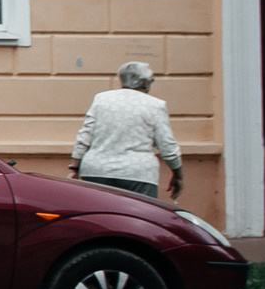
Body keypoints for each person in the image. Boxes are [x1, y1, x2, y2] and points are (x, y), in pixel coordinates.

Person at [69, 61, 182, 200]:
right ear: (146, 83)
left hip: (97, 171)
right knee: (138, 217)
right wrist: (177, 174)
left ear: (120, 80)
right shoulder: (155, 105)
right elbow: (167, 145)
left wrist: (74, 168)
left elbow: (85, 135)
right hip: (138, 173)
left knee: (100, 218)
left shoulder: (101, 99)